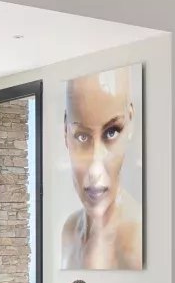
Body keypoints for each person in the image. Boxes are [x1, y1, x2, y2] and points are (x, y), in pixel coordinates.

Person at [60, 70, 143, 270]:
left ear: (130, 123)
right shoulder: (69, 231)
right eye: (81, 136)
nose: (95, 169)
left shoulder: (137, 244)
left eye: (112, 132)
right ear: (65, 132)